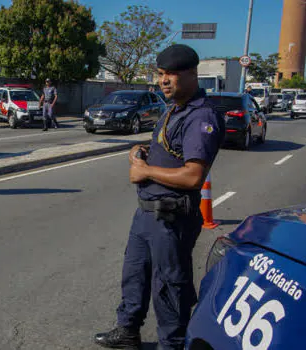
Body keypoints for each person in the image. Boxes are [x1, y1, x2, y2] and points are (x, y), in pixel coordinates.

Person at [94, 44, 225, 350]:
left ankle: (172, 344)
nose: (164, 80)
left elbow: (193, 175)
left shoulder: (201, 117)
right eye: (161, 74)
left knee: (169, 288)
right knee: (134, 275)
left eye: (172, 74)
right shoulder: (175, 110)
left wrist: (146, 172)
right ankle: (128, 331)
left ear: (193, 74)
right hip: (147, 214)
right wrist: (141, 151)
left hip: (171, 218)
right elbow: (167, 150)